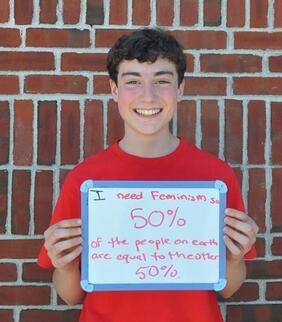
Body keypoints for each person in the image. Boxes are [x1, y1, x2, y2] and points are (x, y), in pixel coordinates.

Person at [38, 28, 258, 322]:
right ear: (114, 90)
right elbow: (70, 294)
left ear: (180, 89)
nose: (148, 96)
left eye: (162, 81)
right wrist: (63, 266)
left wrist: (233, 257)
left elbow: (228, 288)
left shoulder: (214, 176)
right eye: (133, 81)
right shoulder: (86, 180)